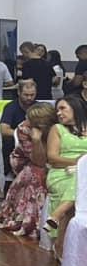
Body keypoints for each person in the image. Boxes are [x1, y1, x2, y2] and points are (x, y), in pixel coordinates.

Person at [0, 103, 56, 237]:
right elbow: (38, 161)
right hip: (24, 160)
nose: (26, 121)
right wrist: (36, 140)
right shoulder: (24, 129)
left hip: (49, 160)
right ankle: (31, 220)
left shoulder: (57, 129)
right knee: (35, 173)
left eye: (30, 120)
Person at [42, 96, 87, 244]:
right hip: (61, 172)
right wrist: (79, 162)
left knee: (82, 179)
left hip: (83, 172)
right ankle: (61, 240)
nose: (59, 113)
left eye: (63, 108)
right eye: (57, 110)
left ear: (75, 108)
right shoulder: (57, 129)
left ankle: (57, 215)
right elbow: (52, 158)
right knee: (80, 182)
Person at [0, 79, 38, 188]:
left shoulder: (38, 107)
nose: (29, 98)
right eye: (26, 95)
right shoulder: (11, 107)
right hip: (15, 145)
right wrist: (24, 134)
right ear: (18, 92)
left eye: (32, 95)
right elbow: (4, 130)